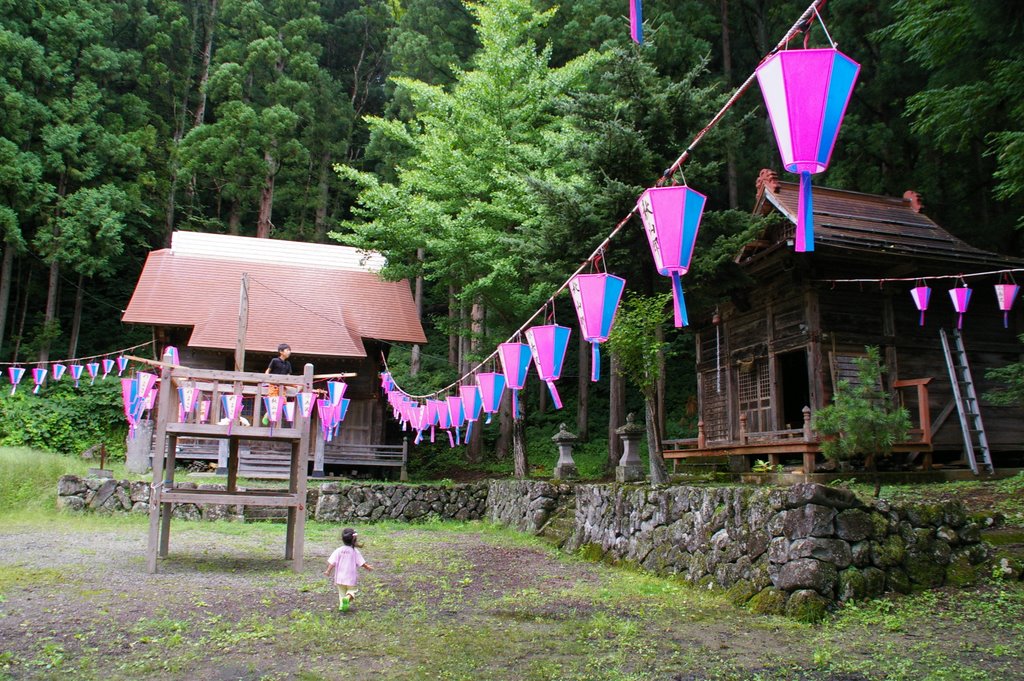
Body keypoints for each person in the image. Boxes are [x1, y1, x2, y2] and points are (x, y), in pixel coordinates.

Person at [325, 527, 373, 611]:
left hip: (339, 577)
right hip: (350, 577)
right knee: (352, 591)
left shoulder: (338, 550)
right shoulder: (354, 551)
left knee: (341, 593)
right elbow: (361, 562)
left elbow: (332, 562)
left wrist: (328, 571)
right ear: (354, 539)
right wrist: (367, 566)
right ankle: (347, 599)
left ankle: (342, 606)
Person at [263, 344, 292, 424]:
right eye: (287, 350)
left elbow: (288, 376)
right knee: (273, 401)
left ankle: (269, 416)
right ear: (281, 352)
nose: (289, 352)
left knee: (282, 402)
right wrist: (266, 380)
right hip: (273, 385)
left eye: (289, 350)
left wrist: (289, 383)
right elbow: (268, 371)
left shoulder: (288, 364)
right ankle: (267, 416)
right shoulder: (274, 360)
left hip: (282, 386)